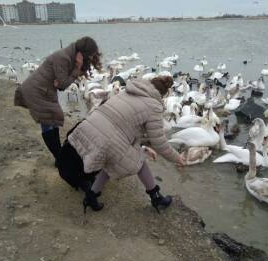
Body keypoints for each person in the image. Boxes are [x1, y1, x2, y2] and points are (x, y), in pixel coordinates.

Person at [58, 76, 185, 213]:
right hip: (106, 136)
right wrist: (177, 158)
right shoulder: (154, 106)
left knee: (112, 159)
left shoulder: (127, 91)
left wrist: (142, 145)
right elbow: (159, 143)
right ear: (162, 95)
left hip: (88, 127)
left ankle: (91, 197)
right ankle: (156, 197)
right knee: (138, 159)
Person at [14, 36, 102, 166]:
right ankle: (60, 159)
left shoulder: (69, 56)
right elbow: (63, 84)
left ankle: (59, 157)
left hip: (45, 90)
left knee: (53, 119)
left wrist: (61, 81)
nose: (90, 59)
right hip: (37, 90)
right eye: (89, 56)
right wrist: (76, 69)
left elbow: (61, 84)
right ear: (82, 53)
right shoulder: (64, 58)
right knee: (48, 122)